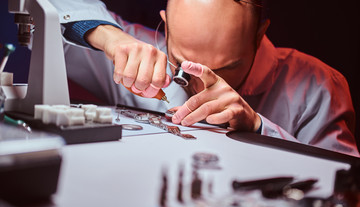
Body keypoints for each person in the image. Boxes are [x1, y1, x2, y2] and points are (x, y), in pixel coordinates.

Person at [49, 0, 359, 157]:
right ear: (166, 27)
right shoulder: (139, 48)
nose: (201, 84)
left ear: (259, 34)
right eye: (183, 64)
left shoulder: (320, 87)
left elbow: (344, 191)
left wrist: (259, 129)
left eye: (226, 68)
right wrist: (109, 38)